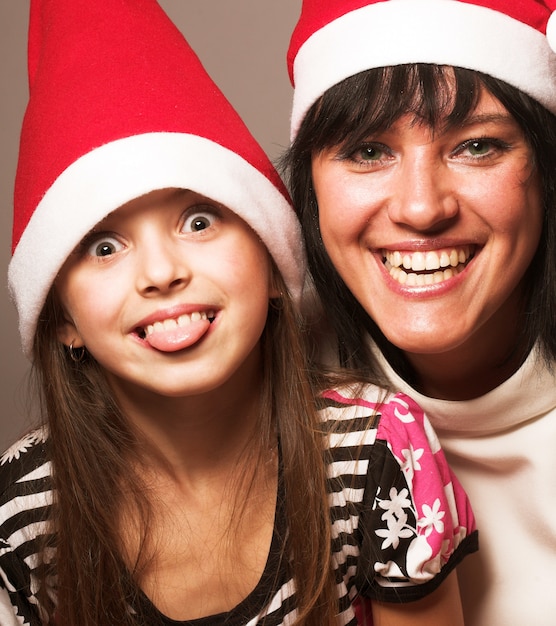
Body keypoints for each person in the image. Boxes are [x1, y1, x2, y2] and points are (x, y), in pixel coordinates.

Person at [0, 0, 477, 624]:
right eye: (104, 245)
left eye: (199, 221)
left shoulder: (379, 450)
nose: (162, 272)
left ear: (273, 266)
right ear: (61, 319)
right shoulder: (20, 517)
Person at [282, 1, 556, 625]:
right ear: (311, 189)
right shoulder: (249, 380)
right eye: (368, 151)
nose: (421, 207)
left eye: (478, 146)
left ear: (546, 170)